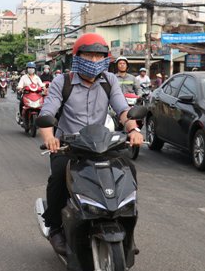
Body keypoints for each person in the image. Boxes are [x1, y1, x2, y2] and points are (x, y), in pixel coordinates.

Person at [38, 33, 143, 255]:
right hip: (69, 145)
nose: (94, 61)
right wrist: (49, 137)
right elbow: (47, 113)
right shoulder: (62, 82)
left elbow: (123, 110)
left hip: (100, 143)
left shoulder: (109, 80)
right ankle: (55, 228)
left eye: (99, 56)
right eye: (88, 55)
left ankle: (126, 227)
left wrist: (133, 129)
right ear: (77, 57)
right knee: (58, 176)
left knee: (127, 171)